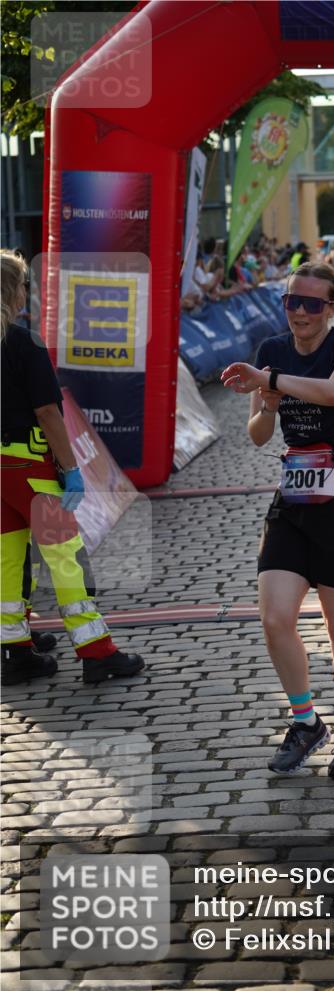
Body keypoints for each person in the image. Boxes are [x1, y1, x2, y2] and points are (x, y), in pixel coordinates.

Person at [220, 261, 334, 780]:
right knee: (274, 618)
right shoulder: (272, 350)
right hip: (294, 495)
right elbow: (257, 433)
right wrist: (267, 404)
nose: (301, 313)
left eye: (313, 304)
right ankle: (306, 721)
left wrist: (270, 380)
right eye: (292, 301)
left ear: (332, 306)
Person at [0, 249, 145, 686]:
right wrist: (70, 468)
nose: (29, 291)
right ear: (12, 291)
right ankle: (96, 652)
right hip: (30, 467)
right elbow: (48, 411)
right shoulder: (24, 343)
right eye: (25, 284)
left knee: (7, 561)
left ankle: (14, 650)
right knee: (66, 560)